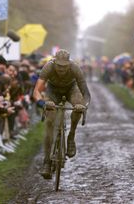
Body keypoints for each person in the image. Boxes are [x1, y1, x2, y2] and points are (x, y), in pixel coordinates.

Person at [33, 49, 91, 179]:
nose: (61, 69)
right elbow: (37, 91)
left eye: (64, 66)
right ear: (54, 62)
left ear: (69, 64)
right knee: (49, 123)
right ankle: (47, 162)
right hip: (52, 91)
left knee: (78, 105)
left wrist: (83, 105)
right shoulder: (48, 67)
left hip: (71, 89)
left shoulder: (75, 68)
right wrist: (43, 103)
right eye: (58, 66)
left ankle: (71, 136)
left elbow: (86, 94)